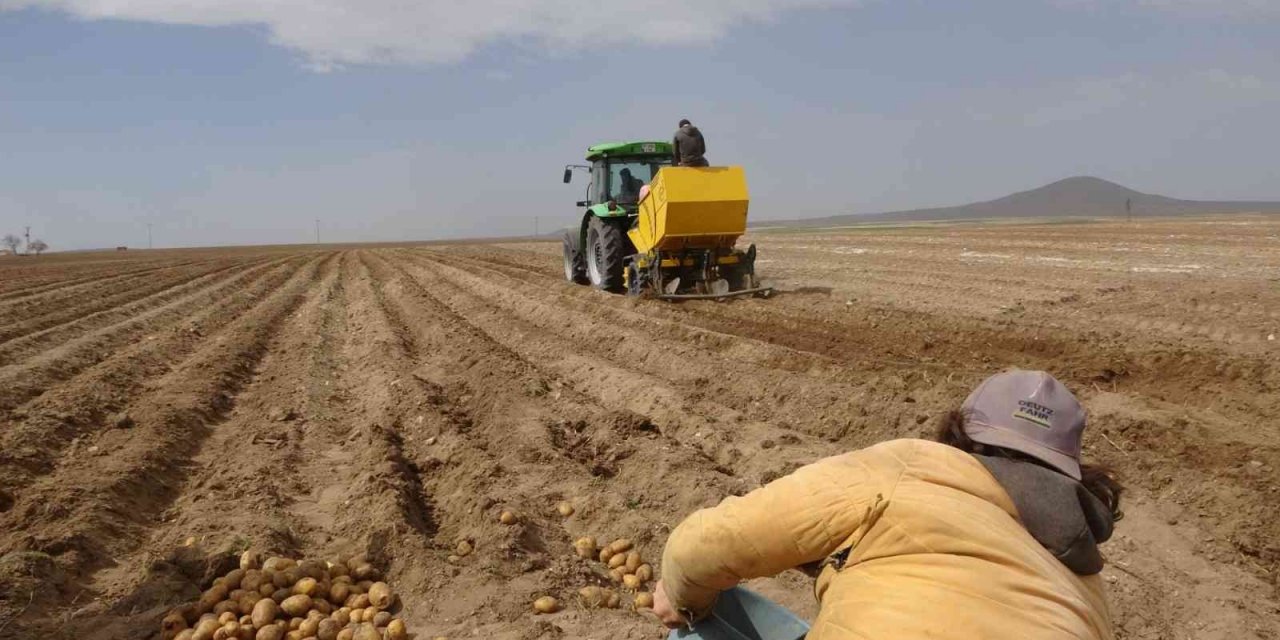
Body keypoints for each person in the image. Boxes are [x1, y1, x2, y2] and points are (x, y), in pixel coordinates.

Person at [653, 369, 1122, 639]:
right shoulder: (1087, 593)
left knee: (705, 616)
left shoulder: (910, 467)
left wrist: (683, 601)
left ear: (961, 434)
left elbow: (709, 543)